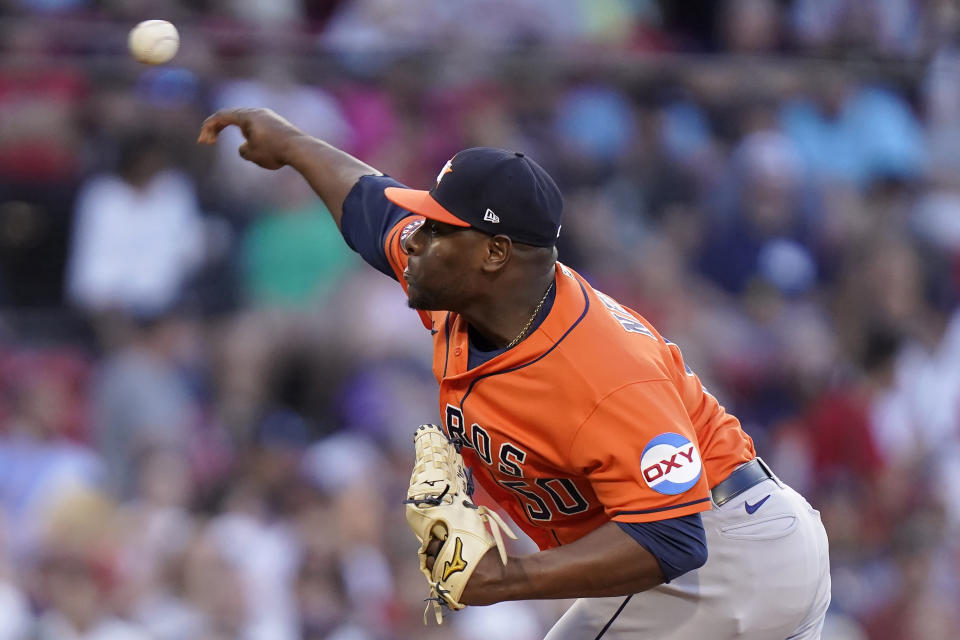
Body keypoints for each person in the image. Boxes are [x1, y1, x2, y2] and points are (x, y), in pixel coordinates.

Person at [198, 108, 832, 639]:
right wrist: (293, 144)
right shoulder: (465, 288)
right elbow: (370, 208)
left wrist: (506, 580)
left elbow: (673, 540)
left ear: (495, 253)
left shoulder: (602, 371)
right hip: (723, 552)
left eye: (439, 230)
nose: (415, 241)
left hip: (731, 556)